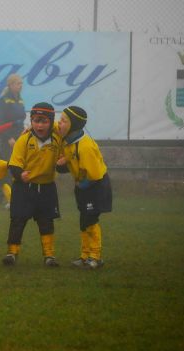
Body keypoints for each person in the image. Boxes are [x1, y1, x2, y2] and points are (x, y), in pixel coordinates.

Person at [2, 102, 62, 267]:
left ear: (51, 121)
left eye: (44, 121)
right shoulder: (24, 139)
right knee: (17, 220)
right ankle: (12, 253)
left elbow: (63, 164)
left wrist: (63, 164)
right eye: (36, 121)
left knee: (46, 222)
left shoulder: (58, 138)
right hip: (24, 188)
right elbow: (14, 164)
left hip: (47, 187)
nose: (39, 125)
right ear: (31, 121)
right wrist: (20, 174)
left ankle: (49, 256)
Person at [56, 106, 112, 270]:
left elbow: (94, 176)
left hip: (95, 187)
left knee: (91, 220)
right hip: (83, 186)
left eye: (63, 120)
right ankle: (85, 256)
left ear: (73, 124)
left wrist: (81, 185)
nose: (59, 123)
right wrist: (62, 164)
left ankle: (95, 257)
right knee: (84, 221)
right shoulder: (69, 141)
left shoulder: (85, 146)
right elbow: (73, 164)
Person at [0, 73, 26, 160]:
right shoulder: (2, 101)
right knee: (10, 165)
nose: (21, 85)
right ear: (11, 85)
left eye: (21, 83)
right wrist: (8, 138)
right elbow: (0, 123)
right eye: (18, 83)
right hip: (9, 140)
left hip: (20, 136)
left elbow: (22, 118)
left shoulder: (20, 100)